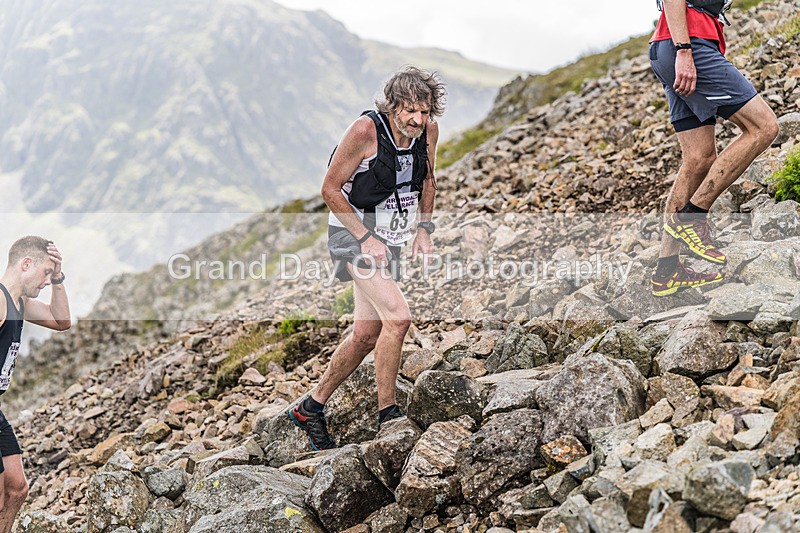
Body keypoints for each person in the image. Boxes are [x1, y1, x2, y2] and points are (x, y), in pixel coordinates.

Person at [288, 66, 445, 450]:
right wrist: (365, 238)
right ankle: (388, 414)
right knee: (398, 318)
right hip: (353, 234)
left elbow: (428, 180)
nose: (418, 119)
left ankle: (310, 408)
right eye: (410, 110)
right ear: (393, 106)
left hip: (389, 238)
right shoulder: (364, 131)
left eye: (425, 111)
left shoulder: (428, 131)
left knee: (365, 334)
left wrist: (424, 229)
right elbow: (329, 189)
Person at [649, 0, 779, 296]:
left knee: (698, 159)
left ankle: (666, 270)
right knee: (763, 127)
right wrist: (685, 50)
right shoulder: (686, 44)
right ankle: (692, 217)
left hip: (668, 47)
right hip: (689, 43)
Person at [0, 236, 70, 530]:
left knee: (17, 489)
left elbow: (61, 321)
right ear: (26, 264)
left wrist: (59, 278)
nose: (46, 281)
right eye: (45, 273)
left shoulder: (20, 303)